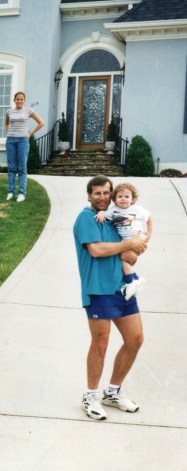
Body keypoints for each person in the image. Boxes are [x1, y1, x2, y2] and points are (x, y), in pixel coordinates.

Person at [73, 176, 147, 421]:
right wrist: (128, 245)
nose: (103, 197)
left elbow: (130, 255)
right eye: (97, 193)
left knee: (135, 339)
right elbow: (96, 250)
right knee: (101, 342)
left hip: (122, 288)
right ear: (89, 195)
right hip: (98, 288)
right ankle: (91, 396)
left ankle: (112, 393)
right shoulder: (86, 218)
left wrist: (133, 246)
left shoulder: (115, 218)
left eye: (106, 193)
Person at [94, 181, 152, 300]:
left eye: (127, 196)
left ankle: (131, 280)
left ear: (133, 199)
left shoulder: (137, 209)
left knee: (123, 258)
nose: (123, 199)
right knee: (123, 258)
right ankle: (134, 278)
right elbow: (105, 214)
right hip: (125, 241)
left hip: (137, 238)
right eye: (120, 196)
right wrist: (101, 212)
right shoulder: (114, 210)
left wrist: (149, 231)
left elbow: (149, 217)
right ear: (115, 199)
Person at [4, 91, 45, 203]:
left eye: (21, 99)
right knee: (11, 167)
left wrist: (30, 133)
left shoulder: (29, 111)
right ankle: (10, 192)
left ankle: (22, 193)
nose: (19, 101)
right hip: (11, 141)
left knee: (22, 168)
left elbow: (41, 123)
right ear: (14, 100)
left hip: (23, 140)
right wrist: (10, 132)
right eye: (18, 99)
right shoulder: (9, 112)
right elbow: (7, 124)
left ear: (24, 100)